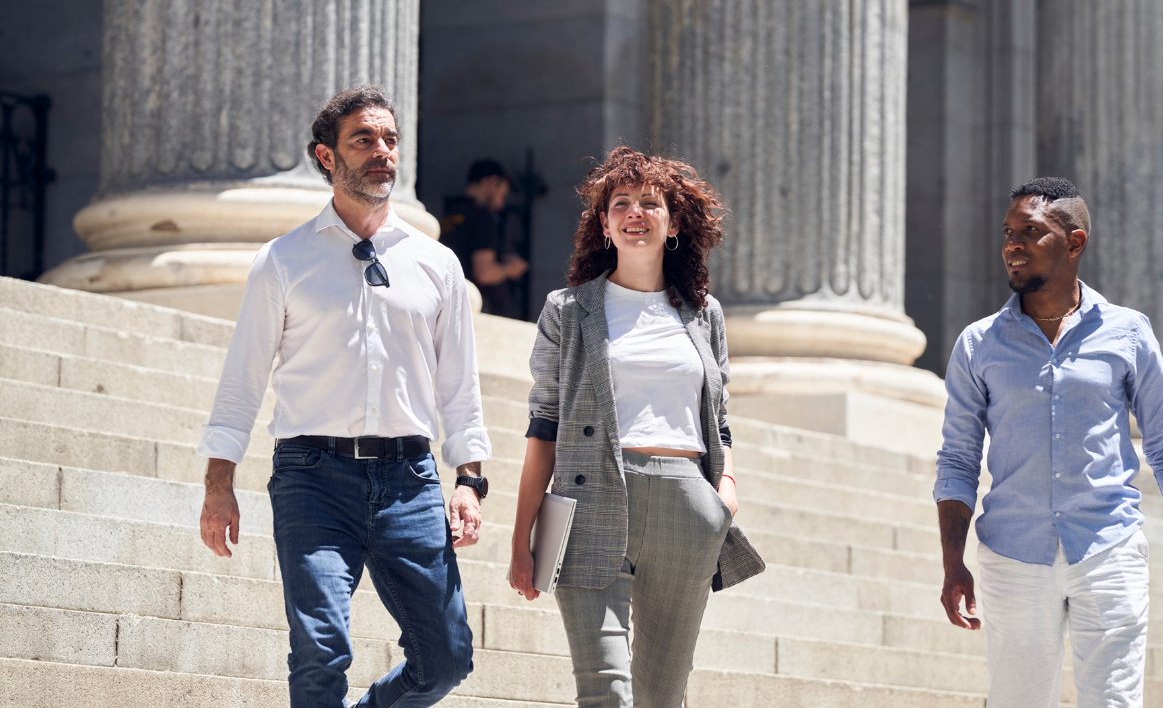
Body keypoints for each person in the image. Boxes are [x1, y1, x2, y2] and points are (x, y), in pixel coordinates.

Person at [196, 86, 492, 708]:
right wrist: (218, 483)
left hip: (410, 480)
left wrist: (469, 479)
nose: (382, 152)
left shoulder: (436, 263)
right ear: (326, 157)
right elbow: (242, 379)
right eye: (363, 140)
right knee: (320, 650)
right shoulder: (283, 260)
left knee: (447, 658)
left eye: (389, 140)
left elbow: (459, 386)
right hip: (313, 477)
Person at [934, 177, 1163, 707]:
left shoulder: (1128, 333)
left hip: (1109, 548)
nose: (1012, 245)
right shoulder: (979, 344)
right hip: (1012, 554)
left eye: (1030, 231)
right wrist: (953, 563)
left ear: (1074, 242)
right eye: (1008, 232)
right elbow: (958, 458)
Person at [507, 146, 765, 707]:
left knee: (661, 698)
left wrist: (726, 491)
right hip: (588, 500)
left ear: (673, 222)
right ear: (603, 223)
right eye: (620, 203)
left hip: (686, 502)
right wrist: (521, 536)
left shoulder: (704, 314)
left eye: (651, 203)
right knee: (605, 693)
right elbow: (544, 425)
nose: (635, 213)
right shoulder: (567, 310)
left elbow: (718, 418)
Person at [441, 159, 528, 318]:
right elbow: (484, 272)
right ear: (491, 182)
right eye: (502, 194)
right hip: (476, 312)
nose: (501, 204)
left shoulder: (449, 215)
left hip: (448, 306)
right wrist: (509, 269)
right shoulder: (482, 217)